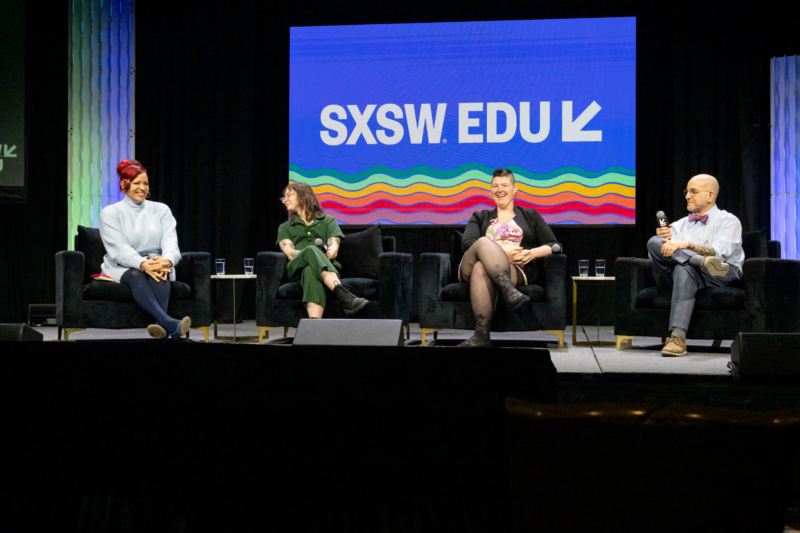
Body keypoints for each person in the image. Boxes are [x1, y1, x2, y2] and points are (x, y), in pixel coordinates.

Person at [458, 168, 559, 347]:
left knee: (482, 268)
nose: (500, 189)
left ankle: (481, 336)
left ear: (515, 189)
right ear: (490, 192)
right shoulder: (480, 216)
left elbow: (555, 246)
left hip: (514, 269)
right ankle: (509, 291)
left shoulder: (530, 215)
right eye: (495, 186)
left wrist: (531, 253)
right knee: (481, 243)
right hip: (470, 265)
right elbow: (467, 244)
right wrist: (503, 253)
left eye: (505, 185)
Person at [647, 174, 744, 356]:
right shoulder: (680, 225)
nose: (687, 196)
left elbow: (719, 252)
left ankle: (677, 337)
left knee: (684, 268)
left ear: (710, 195)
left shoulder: (729, 221)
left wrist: (687, 245)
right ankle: (697, 261)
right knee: (654, 242)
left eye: (693, 191)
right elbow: (658, 255)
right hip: (688, 272)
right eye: (686, 191)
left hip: (722, 273)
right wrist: (665, 240)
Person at [99, 160, 191, 340]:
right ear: (125, 185)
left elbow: (171, 241)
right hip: (124, 265)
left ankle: (161, 326)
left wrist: (168, 260)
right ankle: (170, 323)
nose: (142, 187)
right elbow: (119, 247)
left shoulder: (161, 209)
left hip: (157, 261)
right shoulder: (111, 212)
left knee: (160, 272)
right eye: (137, 183)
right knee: (136, 274)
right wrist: (142, 263)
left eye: (146, 183)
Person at [276, 182, 367, 318]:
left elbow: (334, 248)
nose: (285, 200)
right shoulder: (285, 227)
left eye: (289, 195)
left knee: (310, 272)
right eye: (284, 197)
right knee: (311, 250)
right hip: (296, 267)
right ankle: (342, 294)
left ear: (304, 196)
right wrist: (311, 253)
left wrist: (325, 254)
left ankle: (314, 326)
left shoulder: (328, 221)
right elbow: (290, 253)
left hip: (324, 265)